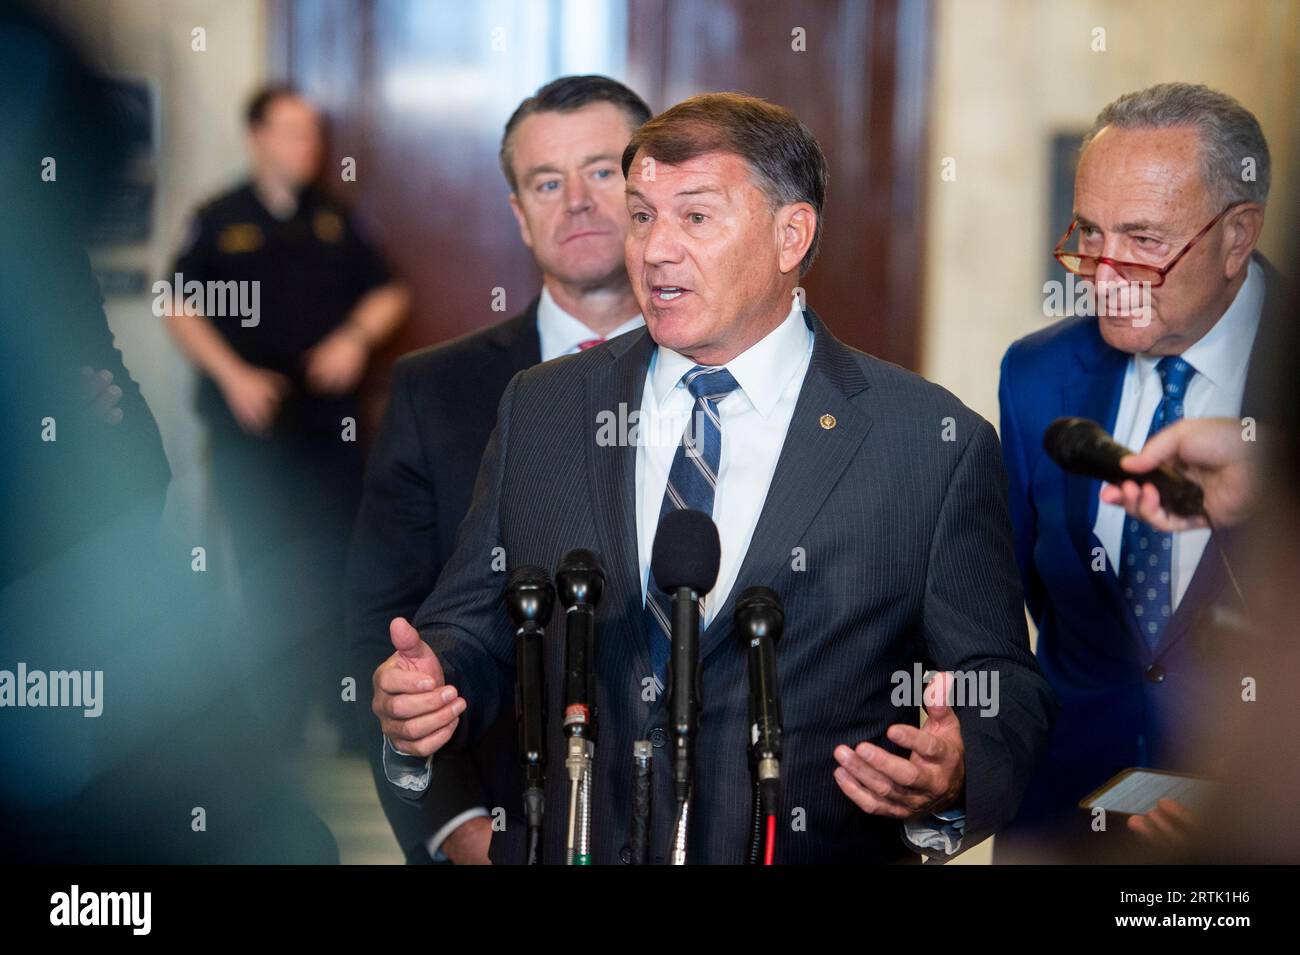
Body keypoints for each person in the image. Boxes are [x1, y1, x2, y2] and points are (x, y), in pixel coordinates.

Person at [371, 92, 1055, 864]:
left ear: (791, 233)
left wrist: (958, 760)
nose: (655, 250)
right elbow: (476, 624)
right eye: (641, 216)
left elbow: (1000, 680)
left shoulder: (930, 443)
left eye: (695, 217)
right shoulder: (546, 406)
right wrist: (432, 683)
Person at [346, 75, 649, 865]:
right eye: (547, 182)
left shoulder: (729, 379)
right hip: (498, 827)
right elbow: (382, 637)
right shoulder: (433, 392)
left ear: (653, 184)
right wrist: (459, 830)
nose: (577, 200)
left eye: (604, 170)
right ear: (519, 213)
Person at [996, 83, 1283, 859]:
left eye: (1145, 240)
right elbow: (1017, 610)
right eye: (1089, 232)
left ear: (1237, 235)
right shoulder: (1035, 375)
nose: (1103, 271)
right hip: (1062, 824)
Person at [166, 87, 409, 745]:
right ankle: (276, 727)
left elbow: (389, 290)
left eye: (314, 133)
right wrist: (234, 375)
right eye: (292, 131)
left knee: (339, 566)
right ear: (257, 137)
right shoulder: (219, 218)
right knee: (262, 571)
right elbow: (177, 304)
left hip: (329, 429)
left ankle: (348, 719)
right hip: (250, 428)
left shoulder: (335, 216)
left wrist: (354, 337)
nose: (308, 146)